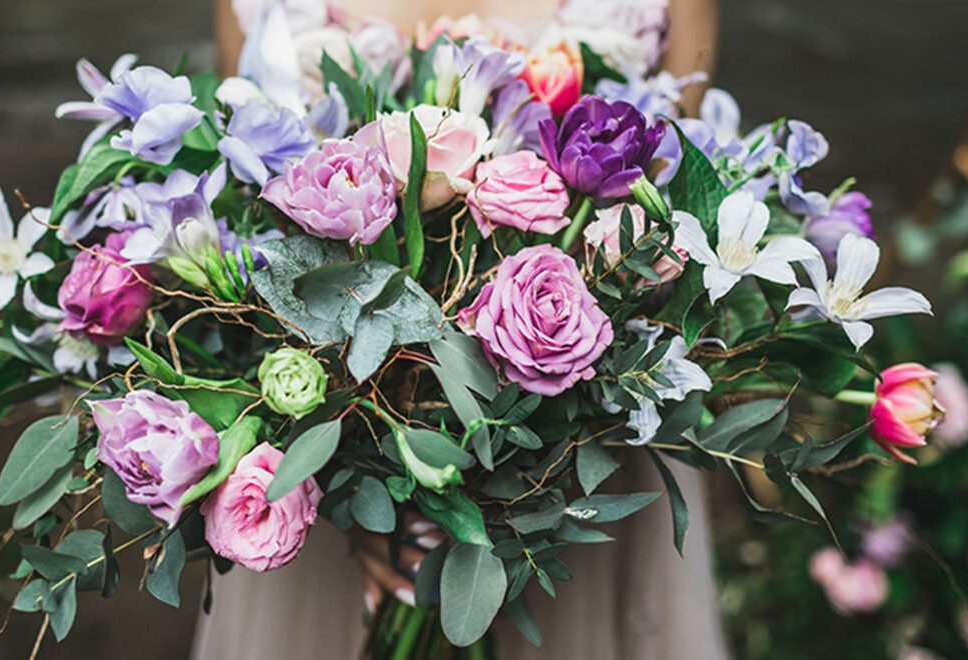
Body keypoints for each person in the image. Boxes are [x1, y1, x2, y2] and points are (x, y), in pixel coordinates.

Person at [193, 1, 728, 657]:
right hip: (331, 485)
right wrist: (353, 493)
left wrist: (505, 486)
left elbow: (672, 229)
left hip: (574, 473)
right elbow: (246, 222)